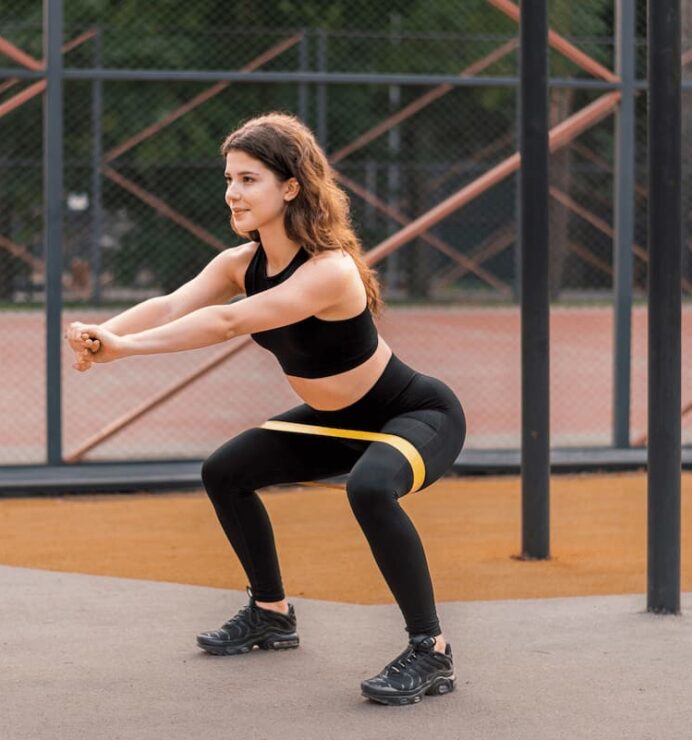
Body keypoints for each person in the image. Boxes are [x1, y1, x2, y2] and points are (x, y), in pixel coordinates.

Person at [65, 112, 467, 706]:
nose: (232, 191)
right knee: (224, 472)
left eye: (249, 178)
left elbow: (228, 321)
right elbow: (174, 303)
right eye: (229, 178)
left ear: (291, 187)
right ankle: (271, 612)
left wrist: (126, 351)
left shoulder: (330, 270)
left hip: (414, 414)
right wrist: (105, 333)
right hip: (337, 422)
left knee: (370, 488)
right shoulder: (240, 263)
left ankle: (430, 651)